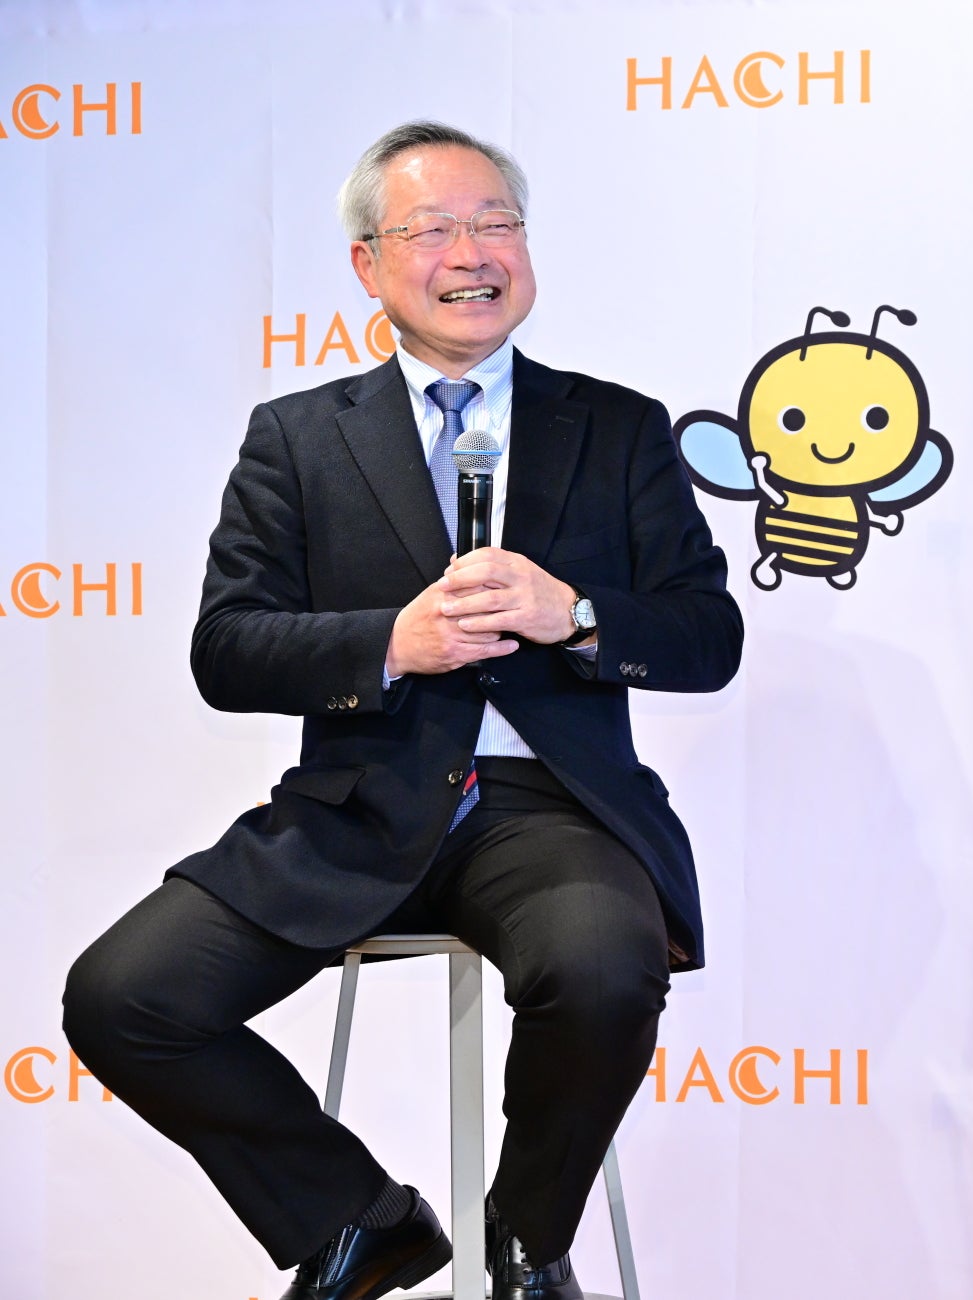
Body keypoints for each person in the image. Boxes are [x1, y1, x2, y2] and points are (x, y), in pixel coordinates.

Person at [62, 120, 742, 1300]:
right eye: (433, 229)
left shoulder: (618, 426)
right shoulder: (298, 438)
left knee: (603, 966)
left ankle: (525, 1240)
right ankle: (357, 1219)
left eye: (496, 223)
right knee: (125, 996)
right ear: (369, 264)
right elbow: (227, 648)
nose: (471, 252)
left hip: (548, 808)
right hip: (353, 807)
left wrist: (574, 612)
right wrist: (392, 642)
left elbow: (707, 636)